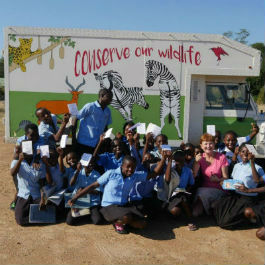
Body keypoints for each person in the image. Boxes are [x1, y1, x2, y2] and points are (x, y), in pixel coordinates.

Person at [68, 155, 166, 234]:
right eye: (128, 166)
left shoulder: (134, 176)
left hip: (123, 205)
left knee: (142, 224)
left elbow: (153, 174)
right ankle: (117, 222)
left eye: (133, 167)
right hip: (108, 206)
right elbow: (93, 186)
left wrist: (164, 158)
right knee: (127, 217)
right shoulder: (111, 174)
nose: (130, 170)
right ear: (122, 165)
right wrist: (75, 197)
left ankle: (124, 222)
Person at [192, 133, 229, 217]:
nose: (208, 146)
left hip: (219, 190)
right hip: (204, 190)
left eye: (210, 143)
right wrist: (196, 162)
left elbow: (226, 178)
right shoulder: (200, 158)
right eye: (206, 144)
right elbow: (193, 176)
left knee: (202, 194)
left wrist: (218, 180)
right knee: (195, 212)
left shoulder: (222, 157)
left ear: (214, 144)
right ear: (201, 146)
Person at [10, 123, 44, 211]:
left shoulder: (41, 140)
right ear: (26, 135)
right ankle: (15, 201)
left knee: (33, 184)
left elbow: (42, 152)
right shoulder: (20, 140)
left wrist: (36, 158)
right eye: (32, 136)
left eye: (36, 134)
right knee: (19, 187)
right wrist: (19, 155)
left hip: (34, 165)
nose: (35, 138)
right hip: (22, 166)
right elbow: (16, 156)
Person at [11, 143, 46, 226]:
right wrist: (20, 160)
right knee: (20, 220)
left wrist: (42, 198)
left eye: (30, 151)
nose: (28, 153)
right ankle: (35, 218)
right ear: (21, 151)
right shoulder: (18, 162)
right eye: (25, 151)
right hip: (24, 194)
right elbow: (13, 173)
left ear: (33, 151)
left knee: (47, 210)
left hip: (36, 194)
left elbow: (42, 183)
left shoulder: (39, 163)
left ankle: (34, 216)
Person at [164, 150, 196, 230]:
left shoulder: (188, 170)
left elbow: (191, 184)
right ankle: (187, 217)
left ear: (184, 161)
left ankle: (190, 219)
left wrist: (186, 190)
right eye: (176, 161)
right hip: (172, 196)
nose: (179, 163)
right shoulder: (171, 170)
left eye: (182, 161)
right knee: (175, 211)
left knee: (183, 197)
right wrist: (170, 161)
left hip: (183, 193)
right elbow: (167, 180)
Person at [76, 88, 113, 157]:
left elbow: (106, 126)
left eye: (111, 98)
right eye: (109, 97)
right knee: (82, 165)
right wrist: (73, 137)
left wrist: (105, 138)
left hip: (97, 145)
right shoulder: (90, 106)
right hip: (84, 143)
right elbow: (76, 118)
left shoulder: (108, 111)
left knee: (92, 165)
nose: (111, 100)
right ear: (102, 96)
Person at [66, 161, 103, 226]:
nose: (91, 164)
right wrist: (77, 170)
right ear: (83, 164)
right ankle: (84, 213)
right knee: (70, 222)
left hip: (92, 202)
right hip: (80, 200)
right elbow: (71, 184)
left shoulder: (97, 174)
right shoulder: (79, 172)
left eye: (92, 162)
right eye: (88, 163)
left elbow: (98, 191)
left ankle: (86, 213)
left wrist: (84, 191)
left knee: (97, 221)